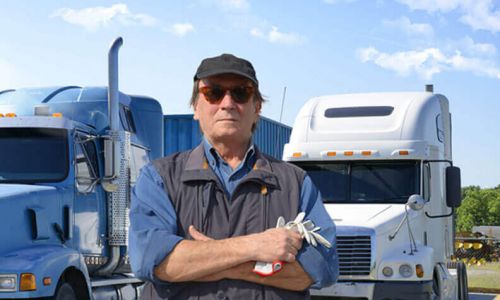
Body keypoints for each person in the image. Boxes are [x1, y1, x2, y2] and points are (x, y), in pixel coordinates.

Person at [129, 53, 338, 299]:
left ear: (257, 108)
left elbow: (319, 269)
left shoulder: (296, 183)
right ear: (196, 107)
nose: (227, 103)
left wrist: (204, 258)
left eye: (240, 92)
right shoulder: (159, 178)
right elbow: (153, 261)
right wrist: (256, 246)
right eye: (213, 93)